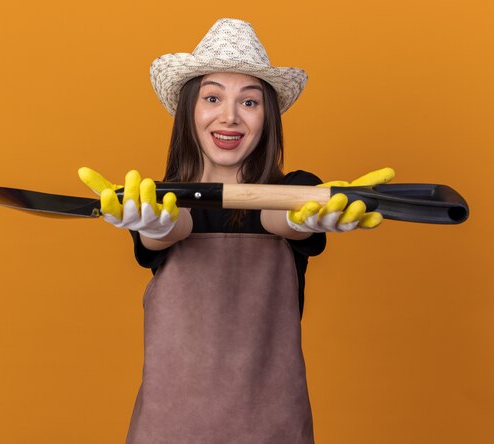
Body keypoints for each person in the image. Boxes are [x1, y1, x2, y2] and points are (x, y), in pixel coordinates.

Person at [79, 18, 394, 444]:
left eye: (249, 102)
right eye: (212, 97)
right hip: (169, 430)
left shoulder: (291, 191)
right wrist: (154, 222)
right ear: (190, 108)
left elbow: (275, 215)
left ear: (268, 117)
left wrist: (308, 216)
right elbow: (173, 226)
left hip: (272, 428)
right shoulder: (161, 203)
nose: (229, 117)